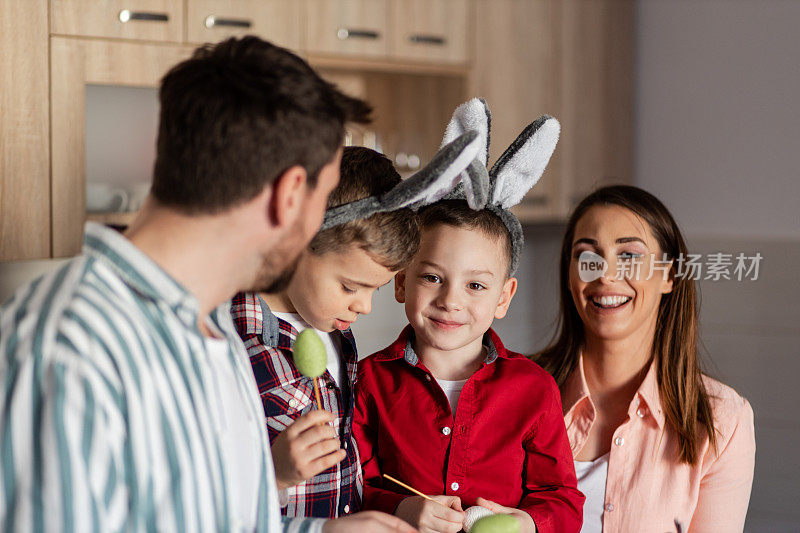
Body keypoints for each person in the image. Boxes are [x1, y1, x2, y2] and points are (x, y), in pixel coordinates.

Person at [0, 36, 414, 533]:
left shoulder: (212, 325)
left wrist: (319, 531)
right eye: (323, 197)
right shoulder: (68, 346)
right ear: (288, 197)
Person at [354, 200, 585, 533]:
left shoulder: (535, 388)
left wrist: (527, 523)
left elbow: (561, 499)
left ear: (503, 298)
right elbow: (349, 488)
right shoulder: (368, 381)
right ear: (402, 281)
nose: (450, 301)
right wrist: (401, 508)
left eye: (475, 286)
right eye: (432, 277)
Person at [535, 185, 756, 532]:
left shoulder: (722, 421)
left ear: (668, 275)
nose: (605, 274)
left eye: (629, 256)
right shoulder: (515, 388)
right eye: (587, 256)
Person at [231, 146, 421, 519]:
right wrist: (273, 473)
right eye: (351, 287)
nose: (364, 307)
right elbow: (197, 487)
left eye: (374, 290)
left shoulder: (333, 327)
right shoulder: (232, 341)